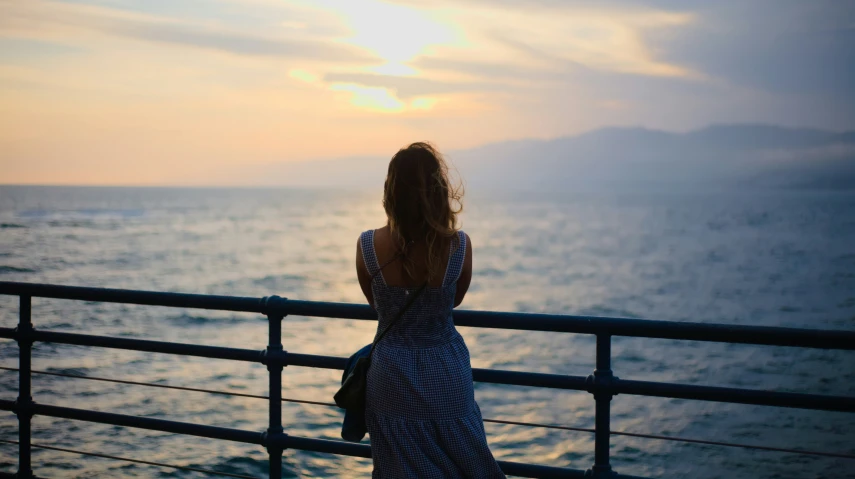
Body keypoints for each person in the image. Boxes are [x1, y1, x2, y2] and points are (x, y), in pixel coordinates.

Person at [355, 142, 506, 478]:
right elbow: (454, 300)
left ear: (390, 191)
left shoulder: (368, 244)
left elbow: (376, 304)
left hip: (390, 372)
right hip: (445, 371)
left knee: (398, 467)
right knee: (467, 461)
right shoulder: (459, 246)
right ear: (439, 190)